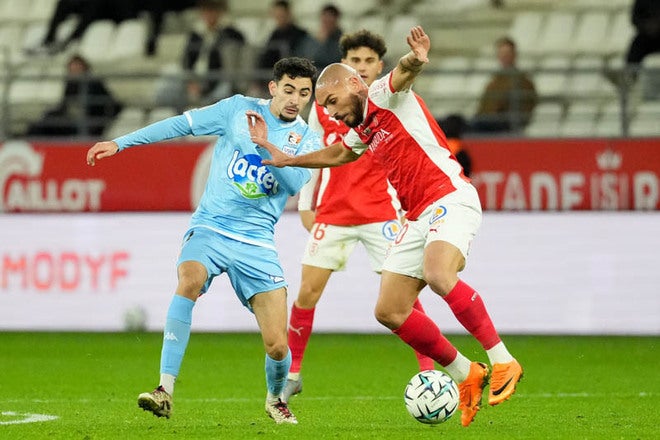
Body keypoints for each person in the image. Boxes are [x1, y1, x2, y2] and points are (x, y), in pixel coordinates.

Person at [246, 26, 523, 428]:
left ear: (354, 85)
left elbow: (403, 73)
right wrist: (288, 160)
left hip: (449, 197)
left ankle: (503, 361)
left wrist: (416, 58)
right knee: (390, 310)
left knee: (438, 274)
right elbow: (339, 153)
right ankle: (466, 373)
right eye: (325, 107)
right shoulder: (362, 126)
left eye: (332, 102)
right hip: (416, 215)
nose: (331, 113)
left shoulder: (381, 94)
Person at [85, 57, 321, 424]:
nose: (295, 99)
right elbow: (181, 124)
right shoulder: (237, 109)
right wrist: (121, 142)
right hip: (211, 226)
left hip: (257, 242)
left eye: (304, 93)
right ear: (273, 88)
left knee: (277, 345)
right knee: (189, 280)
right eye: (288, 90)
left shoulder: (309, 138)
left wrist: (263, 146)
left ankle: (275, 398)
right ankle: (164, 389)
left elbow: (292, 185)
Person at [281, 29, 435, 403]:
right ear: (343, 66)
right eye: (355, 60)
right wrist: (306, 205)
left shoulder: (389, 100)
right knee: (307, 293)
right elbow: (316, 155)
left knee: (404, 295)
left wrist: (406, 209)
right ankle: (293, 373)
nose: (362, 67)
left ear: (379, 66)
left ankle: (428, 369)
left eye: (368, 61)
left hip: (381, 212)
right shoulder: (325, 107)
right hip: (333, 212)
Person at [154, 0, 246, 111]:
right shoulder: (196, 34)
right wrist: (191, 81)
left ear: (220, 12)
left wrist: (207, 86)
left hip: (217, 79)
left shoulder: (231, 34)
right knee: (170, 72)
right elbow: (187, 60)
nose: (208, 15)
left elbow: (228, 65)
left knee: (224, 89)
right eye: (205, 11)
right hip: (195, 78)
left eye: (212, 11)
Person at [27, 54, 122, 137]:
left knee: (49, 122)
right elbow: (65, 105)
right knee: (46, 120)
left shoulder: (94, 83)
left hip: (87, 125)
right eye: (72, 67)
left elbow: (113, 105)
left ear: (84, 67)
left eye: (77, 66)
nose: (74, 69)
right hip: (71, 122)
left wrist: (98, 125)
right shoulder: (70, 84)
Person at [470, 36, 537, 133]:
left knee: (476, 126)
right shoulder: (494, 81)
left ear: (514, 55)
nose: (504, 57)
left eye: (507, 53)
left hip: (505, 124)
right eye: (501, 53)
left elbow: (524, 110)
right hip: (487, 121)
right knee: (456, 123)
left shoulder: (523, 81)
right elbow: (484, 107)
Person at [309, 4, 344, 70]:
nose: (327, 22)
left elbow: (333, 60)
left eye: (330, 19)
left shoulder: (342, 41)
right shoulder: (311, 39)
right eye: (325, 19)